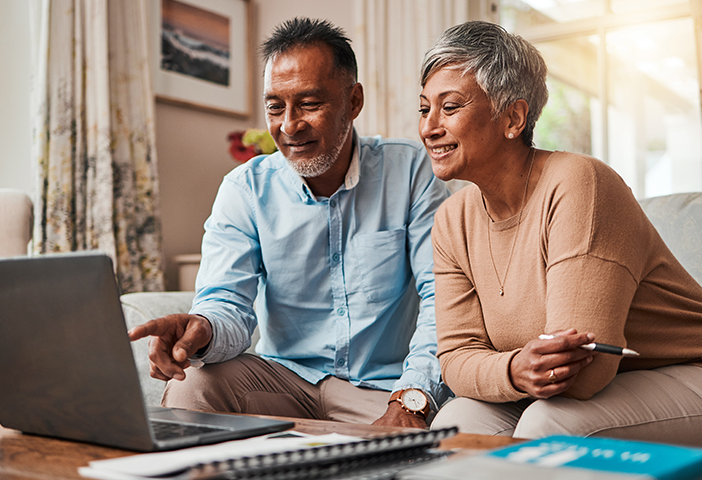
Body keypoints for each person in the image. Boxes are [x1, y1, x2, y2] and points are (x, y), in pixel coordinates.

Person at [128, 17, 451, 428]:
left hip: (383, 389)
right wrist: (201, 327)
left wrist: (411, 400)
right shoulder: (245, 189)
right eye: (275, 107)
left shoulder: (409, 171)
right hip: (283, 383)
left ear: (353, 102)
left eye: (310, 104)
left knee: (451, 428)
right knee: (193, 384)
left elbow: (443, 298)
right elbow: (227, 303)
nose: (289, 125)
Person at [420, 21, 702, 444]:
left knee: (548, 425)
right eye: (424, 109)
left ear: (513, 117)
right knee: (454, 424)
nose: (429, 127)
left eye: (451, 106)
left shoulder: (581, 183)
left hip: (683, 372)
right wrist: (515, 370)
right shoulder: (451, 220)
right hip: (557, 390)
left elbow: (584, 372)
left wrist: (506, 369)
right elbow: (456, 360)